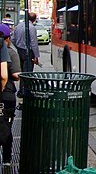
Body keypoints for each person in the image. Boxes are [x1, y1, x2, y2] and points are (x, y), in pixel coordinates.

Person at [0, 24, 19, 167]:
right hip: (6, 95)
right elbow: (12, 76)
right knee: (6, 127)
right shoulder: (10, 52)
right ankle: (6, 160)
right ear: (8, 38)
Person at [11, 12, 39, 97]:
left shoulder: (18, 26)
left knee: (22, 72)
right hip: (28, 52)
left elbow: (12, 39)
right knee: (27, 72)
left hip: (20, 51)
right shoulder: (31, 28)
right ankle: (25, 91)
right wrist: (36, 56)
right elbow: (34, 43)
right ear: (34, 20)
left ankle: (21, 91)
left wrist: (18, 46)